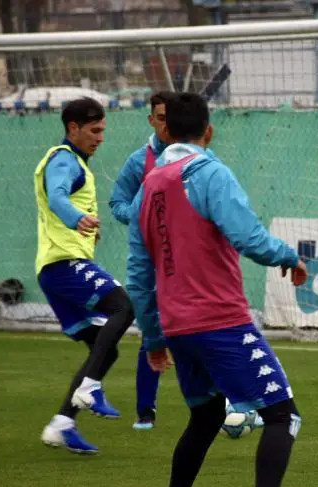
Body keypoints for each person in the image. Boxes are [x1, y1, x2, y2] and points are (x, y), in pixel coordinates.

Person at [126, 93, 311, 487]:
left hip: (178, 326)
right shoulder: (209, 173)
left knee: (206, 417)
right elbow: (248, 236)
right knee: (283, 415)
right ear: (209, 132)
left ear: (164, 132)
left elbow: (138, 270)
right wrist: (289, 256)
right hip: (220, 322)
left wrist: (153, 336)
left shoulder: (148, 187)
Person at [35, 97, 135, 455]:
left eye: (103, 130)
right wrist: (76, 219)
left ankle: (62, 424)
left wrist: (84, 224)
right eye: (94, 130)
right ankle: (89, 387)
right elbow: (58, 195)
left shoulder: (73, 162)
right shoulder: (64, 160)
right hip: (63, 265)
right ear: (73, 128)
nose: (100, 137)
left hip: (56, 270)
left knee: (105, 350)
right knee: (124, 307)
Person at [110, 91, 174, 431]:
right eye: (160, 117)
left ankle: (224, 399)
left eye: (171, 117)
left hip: (188, 263)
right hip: (150, 261)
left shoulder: (195, 158)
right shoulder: (140, 161)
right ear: (151, 120)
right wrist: (139, 215)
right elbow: (117, 202)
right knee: (152, 326)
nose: (166, 124)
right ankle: (145, 411)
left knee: (200, 327)